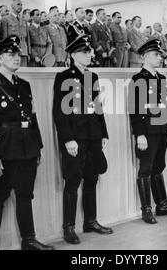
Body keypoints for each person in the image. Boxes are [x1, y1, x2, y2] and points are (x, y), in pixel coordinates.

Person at [0, 35, 53, 250]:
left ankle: (28, 240)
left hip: (27, 147)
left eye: (18, 54)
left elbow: (32, 117)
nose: (16, 58)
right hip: (4, 150)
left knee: (25, 195)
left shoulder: (25, 85)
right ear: (0, 58)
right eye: (11, 54)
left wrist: (39, 146)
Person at [53, 34, 113, 244]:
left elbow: (98, 106)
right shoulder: (63, 76)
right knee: (72, 181)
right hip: (76, 137)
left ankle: (90, 221)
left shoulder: (93, 76)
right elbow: (59, 112)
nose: (90, 54)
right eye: (85, 52)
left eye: (90, 51)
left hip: (93, 135)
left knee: (92, 178)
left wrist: (104, 132)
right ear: (73, 55)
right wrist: (68, 139)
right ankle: (69, 227)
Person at [128, 39, 167, 224]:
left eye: (159, 54)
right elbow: (136, 109)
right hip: (148, 131)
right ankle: (146, 209)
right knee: (145, 169)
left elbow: (166, 105)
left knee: (159, 167)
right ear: (144, 57)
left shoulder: (160, 77)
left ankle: (162, 205)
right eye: (155, 54)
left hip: (162, 129)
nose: (159, 57)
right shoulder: (139, 79)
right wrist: (140, 135)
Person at [0, 0, 30, 67]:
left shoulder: (23, 20)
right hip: (12, 50)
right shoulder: (5, 19)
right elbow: (4, 37)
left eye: (21, 5)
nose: (20, 6)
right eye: (18, 4)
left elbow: (27, 38)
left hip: (23, 50)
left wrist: (28, 52)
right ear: (12, 6)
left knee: (23, 72)